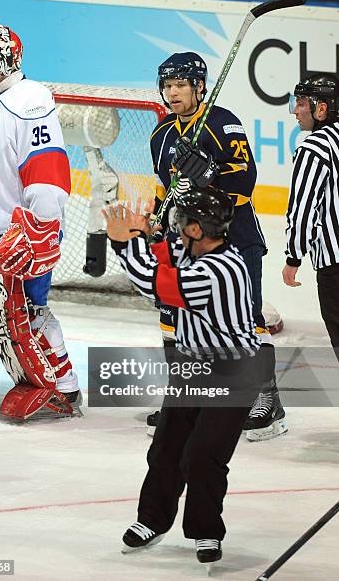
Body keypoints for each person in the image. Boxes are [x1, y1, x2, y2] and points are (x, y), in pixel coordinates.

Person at [102, 186, 262, 569]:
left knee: (203, 456)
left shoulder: (219, 270)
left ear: (196, 229)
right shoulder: (195, 250)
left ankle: (206, 529)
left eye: (182, 220)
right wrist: (140, 237)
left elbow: (155, 285)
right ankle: (152, 519)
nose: (176, 225)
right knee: (167, 449)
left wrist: (125, 244)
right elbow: (161, 257)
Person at [147, 51, 286, 441]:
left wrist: (208, 172)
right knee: (177, 317)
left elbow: (245, 182)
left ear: (198, 86)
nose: (172, 93)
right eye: (167, 86)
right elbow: (165, 189)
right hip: (186, 240)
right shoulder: (161, 135)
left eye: (179, 85)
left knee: (245, 318)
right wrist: (158, 223)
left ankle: (266, 398)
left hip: (235, 236)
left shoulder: (223, 124)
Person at [0, 23, 79, 417]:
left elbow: (47, 170)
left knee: (26, 311)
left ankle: (63, 385)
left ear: (3, 58)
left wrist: (40, 228)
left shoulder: (31, 100)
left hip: (20, 230)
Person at [283, 73, 339, 360]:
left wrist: (294, 256)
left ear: (322, 108)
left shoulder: (313, 148)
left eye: (302, 102)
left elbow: (303, 208)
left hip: (335, 265)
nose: (295, 109)